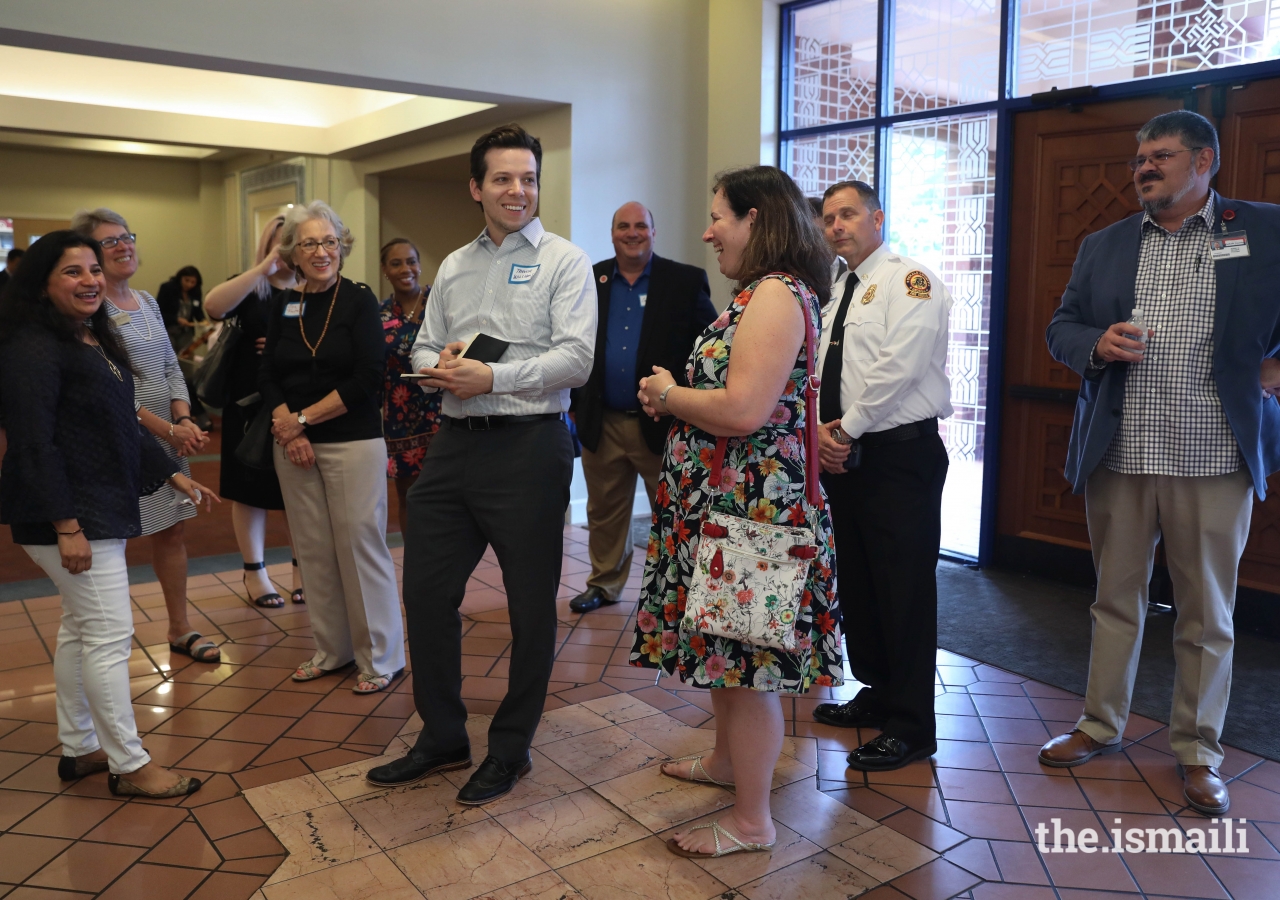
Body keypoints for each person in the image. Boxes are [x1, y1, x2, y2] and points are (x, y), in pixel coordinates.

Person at [1041, 111, 1280, 816]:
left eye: (1162, 156)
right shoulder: (1105, 244)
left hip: (1213, 456)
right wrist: (1095, 342)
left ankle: (1198, 751)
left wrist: (1276, 370)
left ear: (1204, 161)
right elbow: (1061, 326)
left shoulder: (1262, 230)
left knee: (1206, 615)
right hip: (1121, 450)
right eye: (1140, 158)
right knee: (1114, 599)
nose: (1144, 167)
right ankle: (1098, 724)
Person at [367, 124, 595, 805]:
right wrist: (435, 367)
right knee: (426, 593)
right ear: (477, 188)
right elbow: (423, 344)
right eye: (502, 179)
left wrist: (491, 379)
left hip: (530, 444)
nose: (517, 190)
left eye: (527, 178)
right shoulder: (456, 266)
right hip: (453, 443)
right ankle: (442, 736)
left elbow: (575, 360)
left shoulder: (565, 261)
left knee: (530, 606)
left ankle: (511, 746)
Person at [630, 165, 843, 859]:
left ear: (757, 220)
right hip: (736, 506)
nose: (708, 230)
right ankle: (727, 765)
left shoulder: (777, 295)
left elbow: (744, 409)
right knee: (729, 658)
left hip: (755, 516)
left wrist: (669, 394)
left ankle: (753, 821)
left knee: (748, 672)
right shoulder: (763, 293)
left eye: (719, 216)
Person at [0, 230, 217, 798]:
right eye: (72, 272)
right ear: (42, 284)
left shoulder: (89, 337)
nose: (91, 280)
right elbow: (33, 445)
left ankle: (80, 749)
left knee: (83, 630)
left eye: (93, 268)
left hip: (97, 506)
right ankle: (131, 762)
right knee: (109, 635)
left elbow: (120, 420)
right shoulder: (33, 346)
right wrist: (65, 526)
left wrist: (173, 474)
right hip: (72, 515)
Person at [809, 180, 953, 773]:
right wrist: (820, 431)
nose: (837, 225)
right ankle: (879, 692)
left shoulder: (908, 281)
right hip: (847, 458)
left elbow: (901, 363)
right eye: (828, 218)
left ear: (877, 218)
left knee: (905, 589)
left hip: (898, 457)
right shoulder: (837, 290)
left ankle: (914, 724)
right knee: (861, 584)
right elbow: (825, 368)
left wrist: (846, 429)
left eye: (848, 214)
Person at [259, 200, 405, 694]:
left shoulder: (359, 299)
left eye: (329, 242)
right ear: (292, 253)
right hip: (293, 445)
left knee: (360, 546)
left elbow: (368, 376)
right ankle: (333, 650)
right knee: (315, 550)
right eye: (309, 244)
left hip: (351, 440)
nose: (321, 252)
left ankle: (381, 656)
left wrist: (301, 421)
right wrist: (288, 426)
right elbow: (268, 374)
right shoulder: (284, 303)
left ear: (341, 246)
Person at [70, 208, 220, 665]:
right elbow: (107, 390)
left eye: (126, 237)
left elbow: (170, 367)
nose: (122, 246)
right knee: (107, 538)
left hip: (166, 433)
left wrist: (183, 416)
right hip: (118, 437)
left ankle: (179, 627)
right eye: (109, 242)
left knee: (172, 533)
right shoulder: (92, 312)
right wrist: (167, 430)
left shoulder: (148, 301)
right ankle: (99, 635)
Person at [568, 202, 715, 614]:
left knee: (676, 512)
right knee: (604, 511)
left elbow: (710, 345)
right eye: (623, 227)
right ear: (612, 233)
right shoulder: (588, 279)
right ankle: (604, 583)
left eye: (640, 226)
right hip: (603, 420)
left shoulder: (683, 281)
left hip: (664, 423)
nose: (632, 233)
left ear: (654, 231)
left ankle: (682, 593)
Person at [205, 217, 304, 608]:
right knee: (249, 492)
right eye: (281, 243)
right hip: (248, 404)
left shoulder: (311, 288)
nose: (288, 250)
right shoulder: (251, 285)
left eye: (294, 243)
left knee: (300, 491)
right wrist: (263, 268)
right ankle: (255, 573)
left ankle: (302, 571)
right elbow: (213, 306)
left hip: (296, 403)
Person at [378, 238, 441, 538]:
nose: (406, 269)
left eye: (411, 261)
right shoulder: (378, 315)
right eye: (396, 263)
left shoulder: (439, 303)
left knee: (446, 497)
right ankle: (416, 559)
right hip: (399, 419)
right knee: (409, 496)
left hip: (442, 413)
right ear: (385, 271)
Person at [157, 265, 206, 350]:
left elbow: (198, 311)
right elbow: (159, 312)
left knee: (186, 357)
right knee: (170, 357)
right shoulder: (167, 288)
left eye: (193, 282)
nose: (189, 284)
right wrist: (177, 319)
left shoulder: (196, 292)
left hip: (186, 332)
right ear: (180, 278)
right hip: (168, 330)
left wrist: (204, 322)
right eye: (186, 280)